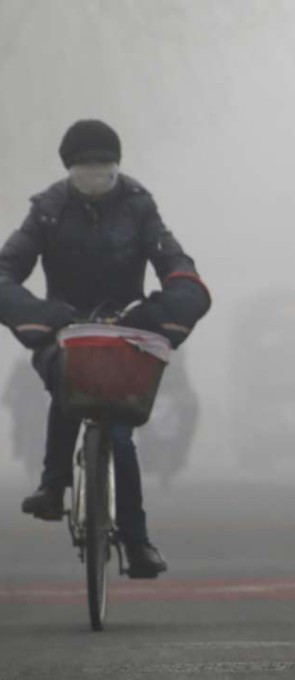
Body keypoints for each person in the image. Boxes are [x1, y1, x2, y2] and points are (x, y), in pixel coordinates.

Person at [0, 119, 211, 577]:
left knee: (118, 433)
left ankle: (137, 544)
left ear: (117, 169)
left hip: (125, 329)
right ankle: (52, 486)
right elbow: (6, 270)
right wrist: (43, 316)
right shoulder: (48, 210)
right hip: (64, 327)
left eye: (103, 171)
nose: (94, 181)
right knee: (67, 381)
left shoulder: (139, 207)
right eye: (84, 172)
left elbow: (177, 267)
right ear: (69, 173)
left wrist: (155, 314)